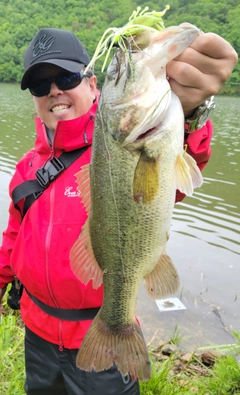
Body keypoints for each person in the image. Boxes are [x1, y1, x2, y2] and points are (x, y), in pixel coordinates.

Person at [0, 25, 237, 395]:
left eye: (66, 76)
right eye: (39, 85)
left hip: (98, 331)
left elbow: (178, 169)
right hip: (37, 334)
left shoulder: (122, 142)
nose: (54, 91)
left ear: (93, 85)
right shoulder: (27, 168)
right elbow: (13, 237)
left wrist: (191, 114)